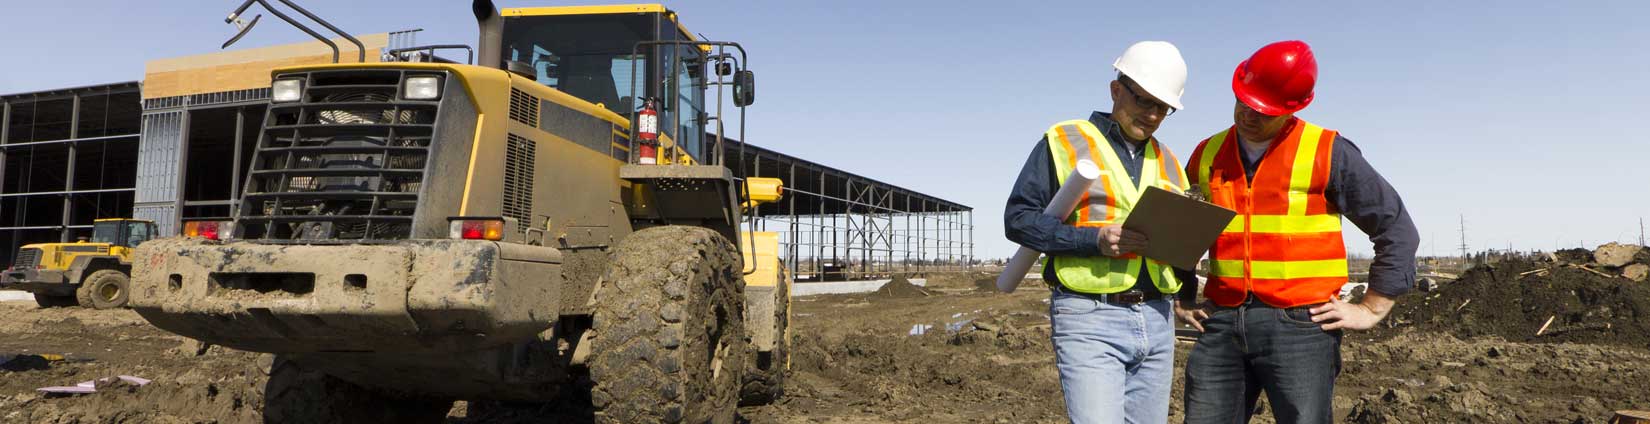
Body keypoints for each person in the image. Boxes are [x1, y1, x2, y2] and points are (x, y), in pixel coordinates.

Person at [1176, 40, 1420, 423]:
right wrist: (1184, 294)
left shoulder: (1327, 151)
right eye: (1244, 102)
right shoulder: (1207, 153)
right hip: (1221, 319)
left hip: (1300, 327)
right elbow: (1185, 227)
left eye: (1262, 110)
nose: (1248, 114)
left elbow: (1396, 228)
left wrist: (1372, 307)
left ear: (1292, 108)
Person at [1004, 41, 1200, 424]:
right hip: (1090, 316)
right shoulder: (1066, 140)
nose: (1154, 115)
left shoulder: (1171, 161)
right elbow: (1018, 219)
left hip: (1158, 318)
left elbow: (1181, 243)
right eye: (1145, 101)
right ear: (1116, 90)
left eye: (1164, 108)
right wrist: (1091, 240)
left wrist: (1187, 293)